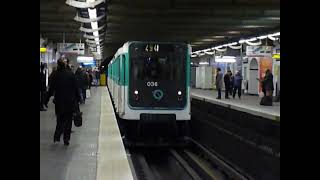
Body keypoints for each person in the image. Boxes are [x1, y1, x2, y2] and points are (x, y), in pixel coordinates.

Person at [45, 59, 80, 146]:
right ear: (65, 65)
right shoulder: (71, 74)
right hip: (70, 102)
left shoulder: (55, 75)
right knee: (68, 121)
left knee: (60, 119)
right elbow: (76, 88)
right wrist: (78, 99)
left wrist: (46, 100)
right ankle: (66, 139)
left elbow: (51, 90)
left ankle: (57, 136)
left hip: (59, 102)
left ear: (58, 65)